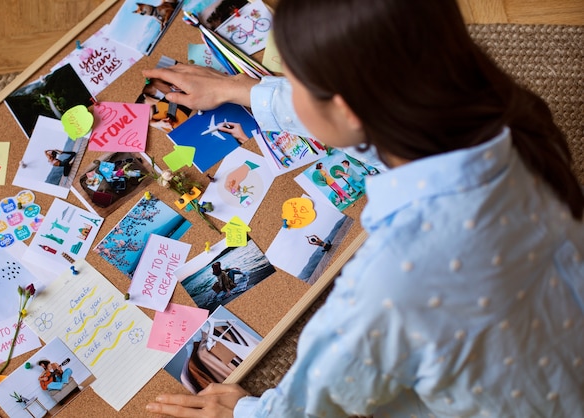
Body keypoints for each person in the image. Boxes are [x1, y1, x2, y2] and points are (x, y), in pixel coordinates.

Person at [144, 0, 584, 416]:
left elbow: (315, 404)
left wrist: (241, 408)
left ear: (349, 109)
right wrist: (240, 90)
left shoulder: (390, 282)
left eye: (293, 83)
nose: (286, 88)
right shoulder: (512, 116)